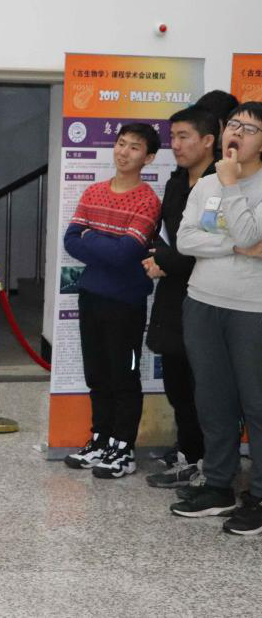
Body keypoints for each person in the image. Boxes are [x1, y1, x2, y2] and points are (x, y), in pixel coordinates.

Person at [169, 103, 262, 535]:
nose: (237, 132)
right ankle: (219, 485)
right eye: (234, 124)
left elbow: (249, 232)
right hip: (202, 301)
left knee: (256, 403)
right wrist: (234, 247)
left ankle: (259, 494)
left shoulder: (225, 182)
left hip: (252, 309)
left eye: (250, 128)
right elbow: (185, 240)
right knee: (213, 400)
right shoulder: (205, 183)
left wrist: (230, 185)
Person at [62, 123, 161, 479]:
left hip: (125, 301)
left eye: (134, 147)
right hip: (91, 295)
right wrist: (105, 241)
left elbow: (126, 253)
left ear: (149, 157)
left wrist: (92, 237)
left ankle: (123, 449)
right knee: (97, 373)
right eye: (121, 144)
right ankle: (100, 439)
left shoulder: (148, 200)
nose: (124, 152)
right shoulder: (93, 191)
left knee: (124, 375)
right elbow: (71, 240)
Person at [143, 107, 220, 488]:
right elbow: (166, 232)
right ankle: (188, 453)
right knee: (176, 379)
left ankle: (207, 463)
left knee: (201, 386)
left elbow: (211, 243)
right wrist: (158, 256)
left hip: (208, 292)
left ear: (208, 140)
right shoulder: (176, 182)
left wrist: (165, 261)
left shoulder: (220, 183)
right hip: (173, 292)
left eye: (184, 136)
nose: (175, 144)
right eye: (172, 137)